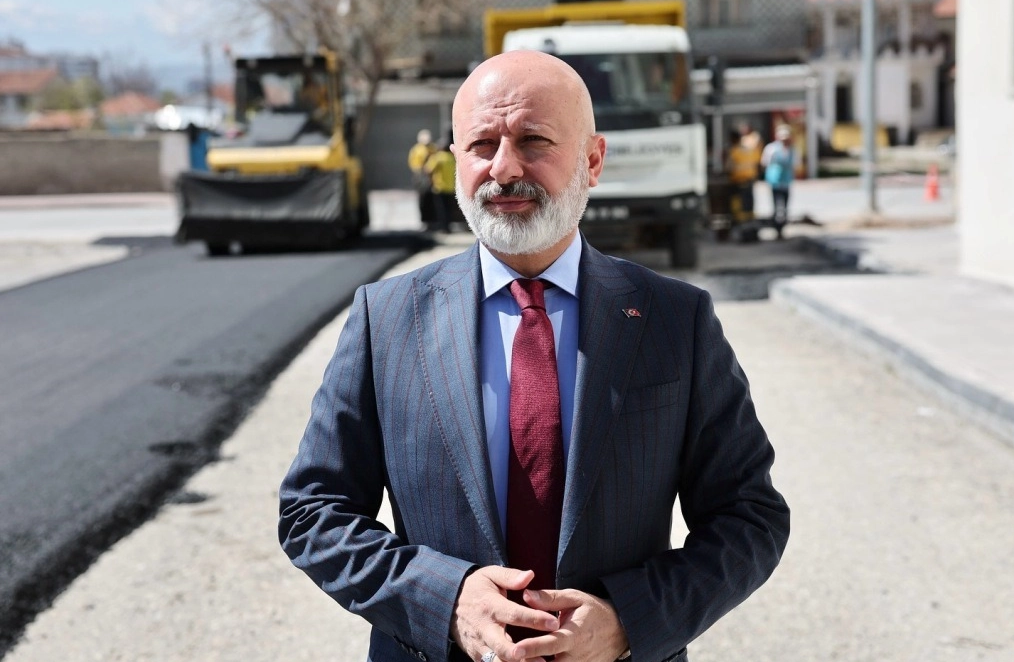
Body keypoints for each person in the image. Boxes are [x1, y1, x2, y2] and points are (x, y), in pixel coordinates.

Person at [279, 50, 789, 662]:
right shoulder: (385, 319)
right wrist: (444, 601)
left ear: (592, 160)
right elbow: (314, 512)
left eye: (533, 140)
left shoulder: (675, 319)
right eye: (481, 145)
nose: (504, 168)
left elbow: (748, 516)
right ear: (456, 160)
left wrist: (629, 621)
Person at [726, 123, 763, 241]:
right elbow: (758, 164)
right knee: (749, 208)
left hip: (738, 184)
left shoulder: (734, 151)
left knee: (739, 209)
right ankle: (751, 231)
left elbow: (728, 168)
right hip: (750, 182)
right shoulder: (750, 150)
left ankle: (743, 233)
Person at [761, 124, 796, 239]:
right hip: (775, 181)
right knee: (776, 206)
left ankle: (782, 228)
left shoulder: (792, 150)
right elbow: (764, 162)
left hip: (786, 181)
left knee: (785, 207)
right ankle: (777, 228)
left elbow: (795, 164)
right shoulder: (771, 149)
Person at [422, 129, 458, 232]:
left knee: (441, 209)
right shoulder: (452, 158)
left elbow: (428, 169)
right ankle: (448, 227)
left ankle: (443, 227)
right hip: (450, 187)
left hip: (439, 187)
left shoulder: (438, 158)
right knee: (449, 209)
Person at [408, 128, 437, 227]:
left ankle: (433, 220)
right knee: (423, 199)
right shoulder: (416, 150)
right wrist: (421, 170)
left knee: (433, 199)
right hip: (421, 177)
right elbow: (412, 163)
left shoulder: (433, 148)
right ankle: (424, 220)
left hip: (432, 177)